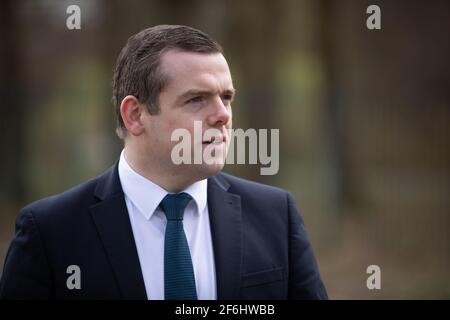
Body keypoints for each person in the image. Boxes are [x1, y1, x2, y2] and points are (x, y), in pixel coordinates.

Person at [0, 25, 327, 300]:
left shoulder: (275, 215)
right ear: (135, 115)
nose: (223, 115)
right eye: (197, 99)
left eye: (226, 97)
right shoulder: (50, 233)